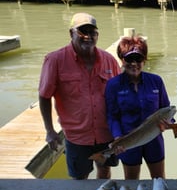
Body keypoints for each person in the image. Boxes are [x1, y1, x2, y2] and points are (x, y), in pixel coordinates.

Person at [39, 13, 121, 180]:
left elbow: (120, 95)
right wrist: (49, 131)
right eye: (83, 32)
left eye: (92, 32)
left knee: (104, 171)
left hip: (107, 133)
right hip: (77, 136)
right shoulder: (55, 60)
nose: (88, 37)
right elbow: (44, 96)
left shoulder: (109, 60)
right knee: (79, 177)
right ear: (71, 33)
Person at [105, 36, 171, 179]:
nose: (134, 63)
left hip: (154, 138)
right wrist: (117, 137)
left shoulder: (156, 81)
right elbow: (112, 116)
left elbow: (166, 109)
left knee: (159, 179)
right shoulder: (113, 85)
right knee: (131, 181)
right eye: (129, 59)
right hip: (127, 140)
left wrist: (168, 124)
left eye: (138, 59)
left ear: (145, 60)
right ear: (122, 60)